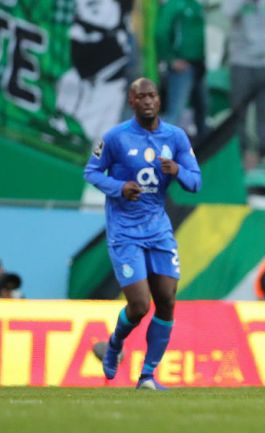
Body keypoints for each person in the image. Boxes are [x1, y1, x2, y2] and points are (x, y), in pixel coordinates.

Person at [83, 78, 202, 390]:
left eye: (152, 95)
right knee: (139, 305)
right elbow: (91, 172)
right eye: (141, 96)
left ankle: (147, 376)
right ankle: (113, 345)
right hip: (125, 231)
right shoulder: (115, 137)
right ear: (132, 101)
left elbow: (195, 181)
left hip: (159, 230)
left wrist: (177, 170)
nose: (148, 101)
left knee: (167, 299)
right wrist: (119, 188)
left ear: (159, 100)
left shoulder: (175, 137)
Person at [223, 0, 265, 168]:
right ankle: (240, 152)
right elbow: (227, 12)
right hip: (241, 61)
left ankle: (264, 152)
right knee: (239, 110)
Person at [155, 0, 208, 138]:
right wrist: (170, 59)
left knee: (202, 108)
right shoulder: (174, 5)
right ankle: (161, 149)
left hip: (199, 64)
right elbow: (160, 32)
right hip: (182, 67)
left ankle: (204, 149)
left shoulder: (196, 5)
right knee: (176, 113)